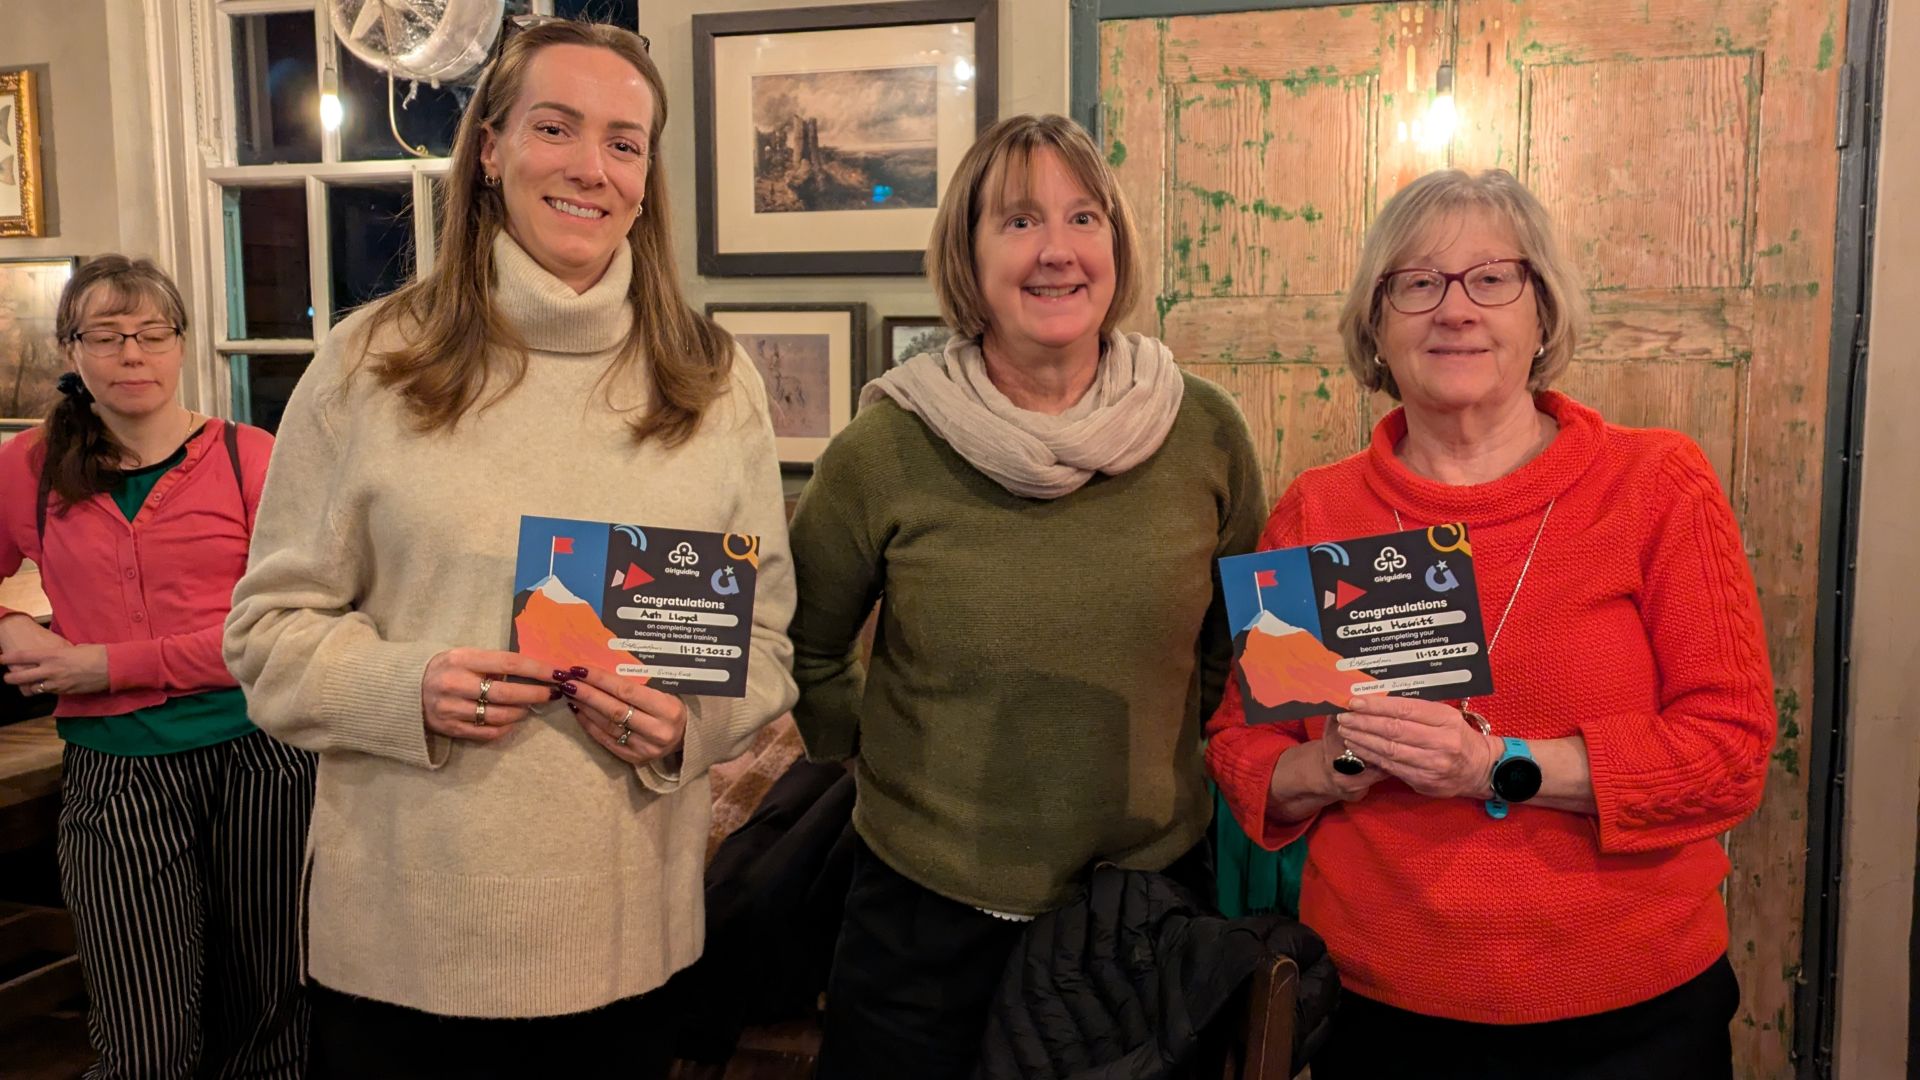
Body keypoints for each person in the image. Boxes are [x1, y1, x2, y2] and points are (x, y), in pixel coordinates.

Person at [221, 19, 797, 1078]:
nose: (591, 167)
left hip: (628, 953)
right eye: (556, 127)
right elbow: (264, 636)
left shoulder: (715, 383)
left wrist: (688, 724)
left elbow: (762, 644)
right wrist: (406, 688)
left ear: (647, 178)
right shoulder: (367, 365)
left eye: (623, 143)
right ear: (489, 148)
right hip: (402, 955)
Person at [1205, 168, 1775, 1080]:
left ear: (1542, 314)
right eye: (1417, 283)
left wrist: (1495, 765)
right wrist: (1336, 764)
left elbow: (1730, 751)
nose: (1455, 309)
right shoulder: (1319, 511)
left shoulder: (1655, 483)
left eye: (1492, 278)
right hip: (1382, 1010)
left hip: (1633, 1014)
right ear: (1376, 327)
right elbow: (1244, 749)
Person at [787, 113, 1266, 1080]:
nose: (1057, 250)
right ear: (968, 255)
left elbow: (1238, 646)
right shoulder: (884, 448)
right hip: (921, 921)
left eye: (1084, 217)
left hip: (1140, 916)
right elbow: (806, 645)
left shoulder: (1208, 433)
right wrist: (870, 755)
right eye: (1018, 221)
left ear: (1116, 246)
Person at [0, 255, 313, 1078]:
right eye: (106, 336)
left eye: (151, 334)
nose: (131, 354)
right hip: (116, 776)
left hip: (264, 765)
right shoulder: (27, 468)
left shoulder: (250, 458)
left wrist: (105, 665)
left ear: (181, 345)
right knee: (144, 1043)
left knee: (270, 1023)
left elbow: (278, 630)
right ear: (71, 350)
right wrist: (9, 625)